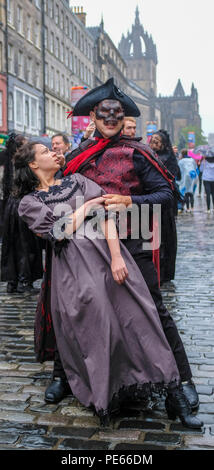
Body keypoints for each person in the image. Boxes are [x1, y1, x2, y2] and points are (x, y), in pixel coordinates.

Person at [15, 141, 202, 428]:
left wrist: (117, 257)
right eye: (45, 152)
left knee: (142, 319)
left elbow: (106, 218)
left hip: (107, 258)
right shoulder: (29, 203)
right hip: (73, 272)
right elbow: (56, 232)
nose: (54, 153)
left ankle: (174, 392)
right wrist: (87, 206)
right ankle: (107, 393)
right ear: (33, 165)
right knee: (98, 331)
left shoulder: (77, 181)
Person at [61, 78, 200, 420]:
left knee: (154, 310)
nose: (110, 119)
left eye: (117, 113)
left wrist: (129, 200)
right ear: (93, 116)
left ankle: (182, 380)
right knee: (82, 312)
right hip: (88, 246)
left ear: (123, 117)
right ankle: (64, 375)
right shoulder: (77, 155)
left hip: (135, 240)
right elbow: (63, 196)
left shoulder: (139, 152)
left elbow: (168, 196)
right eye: (104, 113)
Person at [0, 134, 43, 293]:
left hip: (11, 206)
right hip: (22, 205)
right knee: (26, 246)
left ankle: (13, 281)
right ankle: (24, 282)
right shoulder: (24, 163)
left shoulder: (9, 160)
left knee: (13, 245)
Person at [149, 130, 181, 284]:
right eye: (152, 139)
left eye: (157, 140)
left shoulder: (168, 157)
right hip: (150, 201)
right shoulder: (148, 154)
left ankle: (164, 272)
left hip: (165, 204)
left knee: (164, 238)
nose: (154, 142)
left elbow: (173, 176)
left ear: (163, 143)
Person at [178, 149, 198, 213]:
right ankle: (192, 208)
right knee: (191, 194)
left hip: (185, 179)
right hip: (192, 177)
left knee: (186, 193)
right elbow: (196, 168)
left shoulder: (181, 161)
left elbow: (179, 171)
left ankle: (188, 208)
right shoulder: (192, 160)